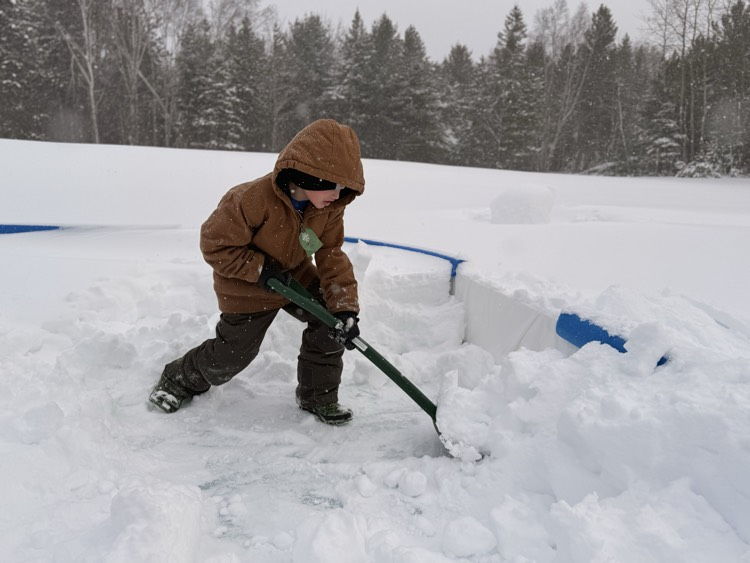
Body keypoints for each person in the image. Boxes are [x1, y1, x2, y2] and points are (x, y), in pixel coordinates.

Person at [148, 119, 365, 425]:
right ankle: (178, 378)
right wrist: (259, 269)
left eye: (344, 186)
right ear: (309, 176)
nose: (338, 193)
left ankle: (317, 395)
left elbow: (331, 253)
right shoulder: (249, 199)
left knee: (330, 323)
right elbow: (215, 245)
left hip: (293, 275)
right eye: (333, 184)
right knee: (232, 355)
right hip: (246, 285)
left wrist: (345, 307)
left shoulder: (328, 208)